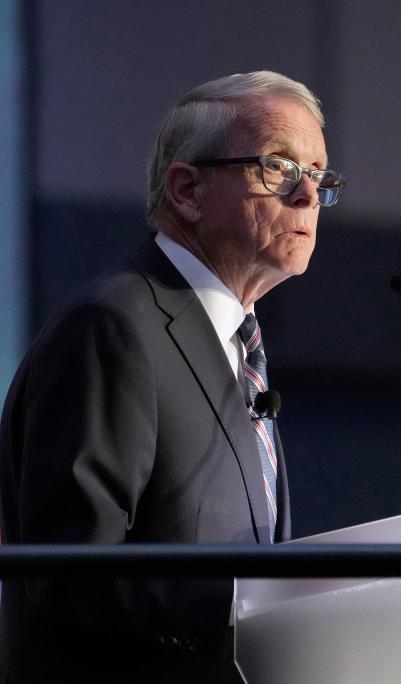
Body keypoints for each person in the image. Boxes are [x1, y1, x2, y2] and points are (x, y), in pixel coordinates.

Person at [0, 71, 344, 682]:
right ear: (187, 190)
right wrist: (254, 604)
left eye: (318, 175)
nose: (307, 196)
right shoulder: (111, 327)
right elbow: (72, 571)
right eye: (279, 167)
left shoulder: (237, 342)